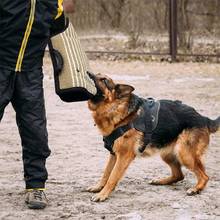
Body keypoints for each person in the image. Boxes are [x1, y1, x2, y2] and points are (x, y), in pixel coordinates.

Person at [0, 0, 74, 209]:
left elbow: (58, 28)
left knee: (36, 131)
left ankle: (36, 187)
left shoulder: (53, 2)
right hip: (1, 66)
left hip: (31, 71)